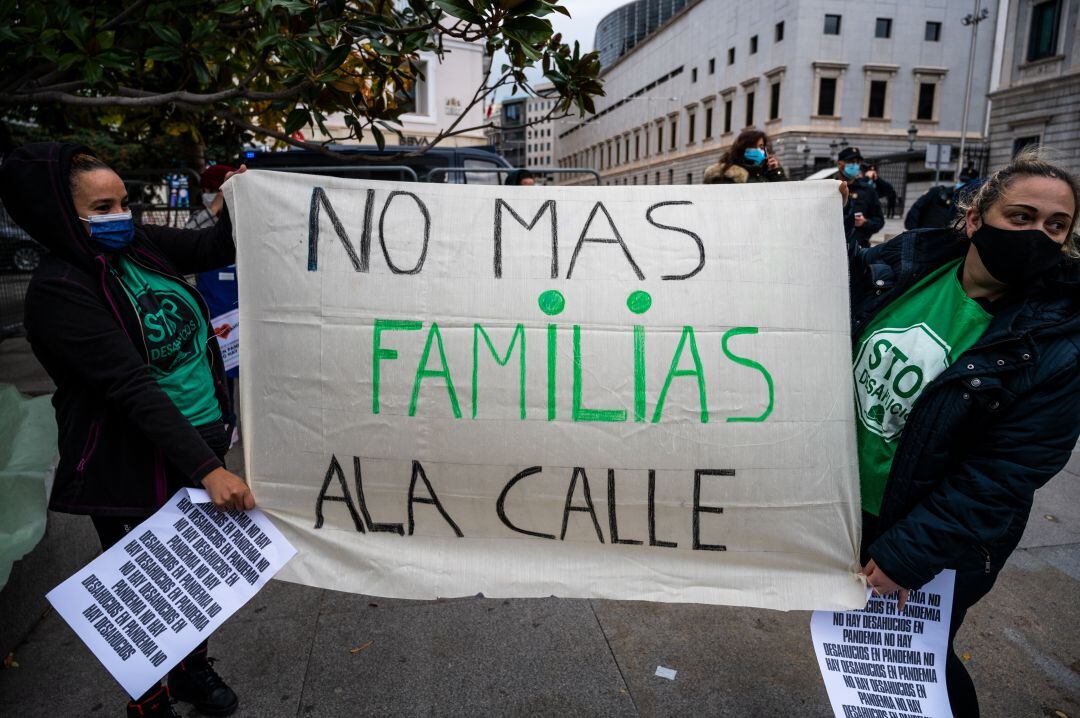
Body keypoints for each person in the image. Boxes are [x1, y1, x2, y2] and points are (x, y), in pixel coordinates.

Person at [0, 143, 254, 718]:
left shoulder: (139, 245)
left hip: (200, 434)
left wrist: (235, 200)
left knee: (193, 571)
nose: (120, 216)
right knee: (145, 589)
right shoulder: (59, 292)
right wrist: (210, 470)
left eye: (123, 202)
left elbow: (213, 246)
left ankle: (192, 673)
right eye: (102, 206)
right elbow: (131, 387)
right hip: (131, 455)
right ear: (62, 215)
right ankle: (152, 697)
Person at [844, 149, 1079, 717]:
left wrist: (909, 552)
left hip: (928, 537)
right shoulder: (904, 264)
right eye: (1021, 217)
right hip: (849, 508)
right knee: (858, 656)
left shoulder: (1058, 345)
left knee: (911, 670)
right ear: (975, 219)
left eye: (1056, 225)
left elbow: (1004, 474)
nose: (1038, 235)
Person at [187, 164, 240, 445]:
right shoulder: (201, 221)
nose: (208, 196)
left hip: (243, 312)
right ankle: (227, 425)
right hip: (214, 315)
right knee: (220, 377)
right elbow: (189, 236)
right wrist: (216, 207)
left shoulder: (247, 218)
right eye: (207, 192)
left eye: (212, 191)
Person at [905, 168, 981, 230]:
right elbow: (916, 209)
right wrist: (913, 231)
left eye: (967, 183)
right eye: (962, 181)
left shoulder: (968, 204)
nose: (963, 184)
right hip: (923, 238)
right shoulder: (937, 192)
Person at [838, 147, 884, 247]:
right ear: (840, 164)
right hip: (833, 247)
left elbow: (879, 221)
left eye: (857, 162)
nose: (854, 165)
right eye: (850, 162)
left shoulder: (867, 190)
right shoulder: (831, 187)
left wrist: (865, 223)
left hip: (859, 249)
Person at [703, 128, 786, 184]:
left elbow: (785, 197)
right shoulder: (727, 174)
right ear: (742, 148)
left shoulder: (766, 172)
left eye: (761, 147)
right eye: (753, 146)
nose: (758, 150)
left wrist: (776, 171)